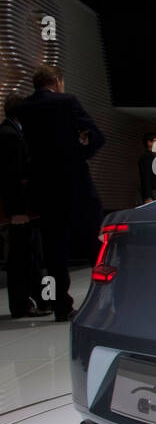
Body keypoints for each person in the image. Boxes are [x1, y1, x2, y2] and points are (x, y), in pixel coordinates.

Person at [12, 65, 105, 322]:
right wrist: (80, 155)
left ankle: (61, 306)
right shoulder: (67, 102)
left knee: (53, 252)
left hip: (44, 189)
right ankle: (106, 299)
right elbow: (97, 136)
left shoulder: (24, 108)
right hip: (76, 184)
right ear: (56, 81)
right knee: (94, 245)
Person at [1, 93, 52, 318]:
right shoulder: (10, 136)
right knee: (24, 257)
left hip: (20, 208)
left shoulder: (10, 132)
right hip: (20, 210)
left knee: (25, 257)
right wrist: (18, 211)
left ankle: (32, 302)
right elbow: (12, 177)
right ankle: (23, 305)